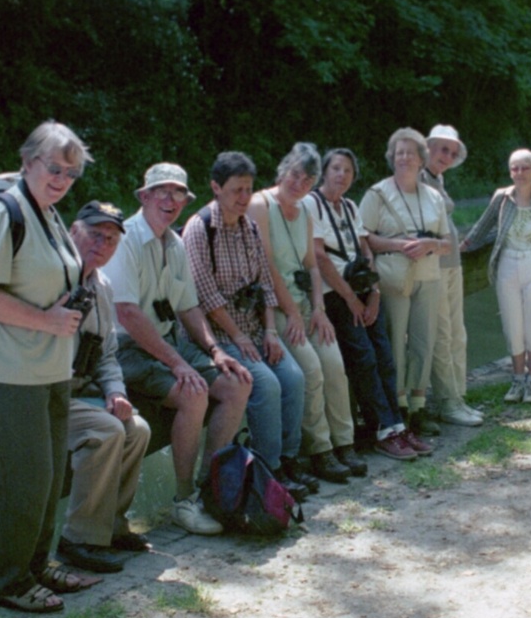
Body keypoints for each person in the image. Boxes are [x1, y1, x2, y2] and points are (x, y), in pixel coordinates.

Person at [0, 120, 98, 614]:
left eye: (71, 173)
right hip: (6, 373)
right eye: (54, 167)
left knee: (50, 476)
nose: (61, 178)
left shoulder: (49, 211)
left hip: (49, 369)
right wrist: (45, 319)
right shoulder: (4, 213)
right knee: (24, 484)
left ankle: (38, 567)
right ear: (28, 162)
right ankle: (10, 582)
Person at [100, 163, 253, 535]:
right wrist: (178, 363)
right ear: (145, 196)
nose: (170, 200)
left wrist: (215, 350)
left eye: (178, 193)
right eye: (162, 191)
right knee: (193, 393)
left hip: (164, 344)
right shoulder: (127, 239)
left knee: (237, 383)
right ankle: (183, 500)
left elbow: (187, 306)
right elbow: (128, 314)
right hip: (126, 349)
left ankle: (209, 487)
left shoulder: (175, 241)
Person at [183, 152, 314, 498]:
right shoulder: (199, 229)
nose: (244, 198)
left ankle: (289, 459)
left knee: (294, 378)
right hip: (221, 335)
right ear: (215, 188)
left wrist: (270, 331)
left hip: (255, 329)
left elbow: (265, 285)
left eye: (248, 189)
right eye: (237, 190)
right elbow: (207, 296)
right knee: (266, 385)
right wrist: (239, 337)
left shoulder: (249, 227)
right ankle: (267, 471)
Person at [250, 143, 365, 483]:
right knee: (311, 370)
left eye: (308, 178)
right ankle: (319, 450)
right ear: (283, 170)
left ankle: (344, 443)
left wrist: (319, 308)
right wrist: (293, 312)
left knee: (334, 364)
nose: (300, 182)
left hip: (305, 306)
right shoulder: (261, 205)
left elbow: (312, 265)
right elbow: (266, 266)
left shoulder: (305, 211)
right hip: (276, 309)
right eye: (296, 174)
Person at [309, 148, 432, 461]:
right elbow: (320, 257)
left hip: (363, 289)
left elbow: (366, 250)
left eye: (348, 171)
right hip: (335, 293)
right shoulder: (313, 204)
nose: (341, 175)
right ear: (324, 172)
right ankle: (382, 430)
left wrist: (374, 293)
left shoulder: (350, 206)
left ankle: (396, 425)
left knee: (385, 356)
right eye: (336, 169)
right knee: (363, 358)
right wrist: (350, 299)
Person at [57, 201, 152, 574]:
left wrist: (116, 392)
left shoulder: (102, 286)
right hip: (46, 393)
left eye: (111, 239)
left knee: (137, 429)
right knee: (105, 429)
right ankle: (77, 539)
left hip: (82, 392)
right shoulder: (53, 277)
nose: (103, 244)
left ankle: (110, 525)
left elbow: (108, 354)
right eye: (95, 234)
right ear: (72, 231)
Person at [359, 128, 450, 436]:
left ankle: (418, 406)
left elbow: (449, 241)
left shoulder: (434, 197)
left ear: (421, 158)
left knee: (424, 340)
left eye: (411, 152)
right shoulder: (377, 194)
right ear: (391, 157)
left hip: (429, 275)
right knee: (395, 339)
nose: (405, 157)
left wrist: (430, 245)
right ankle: (396, 404)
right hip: (393, 278)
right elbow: (363, 237)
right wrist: (399, 245)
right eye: (399, 152)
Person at [461, 150, 531, 403]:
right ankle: (517, 380)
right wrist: (459, 247)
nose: (519, 173)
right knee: (512, 325)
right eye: (514, 168)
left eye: (524, 168)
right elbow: (482, 227)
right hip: (507, 263)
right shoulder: (502, 198)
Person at [420, 125, 483, 427]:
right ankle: (447, 401)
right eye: (442, 149)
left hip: (452, 263)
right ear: (428, 147)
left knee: (457, 331)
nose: (447, 156)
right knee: (442, 334)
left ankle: (458, 394)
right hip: (433, 267)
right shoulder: (416, 179)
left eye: (452, 152)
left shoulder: (437, 178)